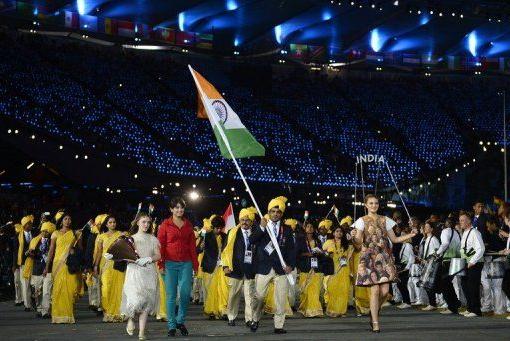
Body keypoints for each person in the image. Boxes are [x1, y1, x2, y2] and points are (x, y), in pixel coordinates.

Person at [352, 194, 416, 333]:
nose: (374, 205)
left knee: (385, 292)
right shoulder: (361, 221)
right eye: (371, 203)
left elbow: (395, 239)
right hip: (369, 257)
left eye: (376, 203)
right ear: (366, 205)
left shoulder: (385, 220)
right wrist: (353, 238)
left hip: (384, 257)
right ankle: (375, 322)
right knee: (374, 290)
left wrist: (410, 235)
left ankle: (373, 311)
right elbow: (358, 243)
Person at [249, 196, 296, 334]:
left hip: (281, 268)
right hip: (263, 267)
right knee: (259, 296)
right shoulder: (262, 225)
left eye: (278, 211)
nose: (275, 214)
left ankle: (279, 325)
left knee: (281, 298)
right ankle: (255, 318)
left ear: (282, 213)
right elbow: (252, 240)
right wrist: (262, 228)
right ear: (268, 212)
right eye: (273, 211)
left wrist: (290, 266)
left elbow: (292, 250)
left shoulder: (287, 229)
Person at [157, 197, 198, 337]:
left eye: (182, 208)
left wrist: (196, 265)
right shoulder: (165, 225)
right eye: (177, 207)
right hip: (169, 264)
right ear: (171, 209)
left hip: (186, 263)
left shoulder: (188, 225)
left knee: (186, 294)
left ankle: (180, 320)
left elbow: (192, 246)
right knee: (171, 296)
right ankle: (171, 325)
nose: (180, 210)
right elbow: (160, 246)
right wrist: (160, 263)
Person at [120, 212, 161, 341]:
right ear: (137, 222)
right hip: (134, 272)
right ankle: (131, 319)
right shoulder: (130, 238)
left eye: (148, 222)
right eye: (144, 222)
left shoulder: (153, 238)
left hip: (148, 272)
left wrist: (149, 259)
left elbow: (158, 255)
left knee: (146, 302)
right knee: (135, 300)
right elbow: (126, 256)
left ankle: (142, 333)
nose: (146, 224)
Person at [44, 211, 83, 323]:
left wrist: (73, 251)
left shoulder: (75, 233)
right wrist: (47, 267)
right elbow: (51, 251)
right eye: (65, 219)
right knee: (58, 290)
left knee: (70, 290)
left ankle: (68, 315)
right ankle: (57, 316)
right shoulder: (55, 233)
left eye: (69, 219)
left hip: (70, 264)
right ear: (61, 221)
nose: (67, 221)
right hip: (58, 264)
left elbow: (80, 250)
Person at [221, 207, 257, 327]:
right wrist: (225, 265)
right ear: (239, 220)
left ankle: (249, 319)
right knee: (233, 295)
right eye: (242, 219)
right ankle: (231, 316)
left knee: (250, 296)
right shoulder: (232, 232)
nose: (244, 222)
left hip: (251, 270)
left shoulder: (256, 233)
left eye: (247, 220)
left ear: (252, 221)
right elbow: (225, 250)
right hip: (235, 269)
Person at [94, 215, 126, 322]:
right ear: (106, 224)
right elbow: (98, 252)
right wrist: (95, 266)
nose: (113, 224)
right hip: (105, 265)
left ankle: (118, 313)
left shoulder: (120, 235)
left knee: (118, 288)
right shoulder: (101, 236)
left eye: (114, 222)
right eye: (110, 222)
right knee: (106, 289)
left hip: (118, 264)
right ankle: (108, 312)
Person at [26, 221, 56, 318]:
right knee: (37, 291)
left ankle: (46, 311)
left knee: (47, 291)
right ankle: (39, 308)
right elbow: (33, 254)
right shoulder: (35, 241)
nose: (44, 233)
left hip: (49, 269)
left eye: (47, 231)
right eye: (43, 231)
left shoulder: (53, 242)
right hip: (37, 269)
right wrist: (31, 254)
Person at [201, 215, 228, 319]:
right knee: (208, 290)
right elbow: (197, 250)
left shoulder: (225, 236)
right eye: (217, 228)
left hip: (220, 267)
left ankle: (220, 311)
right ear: (213, 227)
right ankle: (210, 311)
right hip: (209, 266)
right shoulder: (206, 236)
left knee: (219, 290)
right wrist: (201, 246)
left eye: (221, 228)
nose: (219, 230)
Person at [459, 211, 485, 317]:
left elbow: (481, 248)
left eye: (463, 220)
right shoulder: (464, 233)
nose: (461, 222)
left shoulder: (475, 232)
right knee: (465, 285)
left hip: (475, 263)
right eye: (460, 220)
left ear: (469, 221)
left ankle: (476, 310)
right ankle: (470, 307)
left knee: (473, 286)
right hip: (466, 262)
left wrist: (472, 261)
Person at [296, 221, 325, 317]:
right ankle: (305, 308)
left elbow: (321, 252)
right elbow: (297, 253)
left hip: (316, 267)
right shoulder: (300, 240)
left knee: (314, 289)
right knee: (305, 290)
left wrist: (320, 252)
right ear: (305, 228)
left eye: (311, 226)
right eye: (308, 226)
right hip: (305, 266)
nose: (310, 228)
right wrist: (307, 254)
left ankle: (314, 310)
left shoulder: (318, 240)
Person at [323, 225, 352, 317]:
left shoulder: (346, 244)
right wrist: (328, 254)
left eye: (341, 232)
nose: (339, 233)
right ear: (333, 233)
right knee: (332, 288)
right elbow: (322, 253)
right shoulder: (328, 242)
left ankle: (341, 311)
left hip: (343, 268)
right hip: (333, 268)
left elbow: (350, 255)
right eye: (337, 231)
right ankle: (332, 309)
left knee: (343, 289)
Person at [436, 218, 461, 315]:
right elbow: (459, 247)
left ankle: (452, 305)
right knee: (448, 283)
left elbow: (445, 243)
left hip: (447, 260)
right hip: (456, 260)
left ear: (446, 224)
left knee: (444, 283)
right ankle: (455, 303)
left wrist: (437, 253)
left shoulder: (445, 231)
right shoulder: (456, 233)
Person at [484, 217, 507, 315]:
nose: (487, 228)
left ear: (493, 224)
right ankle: (500, 308)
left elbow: (496, 248)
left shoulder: (497, 234)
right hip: (498, 261)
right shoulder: (498, 233)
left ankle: (499, 309)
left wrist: (488, 248)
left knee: (496, 286)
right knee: (498, 286)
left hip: (498, 261)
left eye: (489, 226)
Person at [85, 214, 106, 314]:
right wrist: (89, 266)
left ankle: (101, 305)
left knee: (102, 285)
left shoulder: (107, 234)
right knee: (94, 285)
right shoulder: (93, 235)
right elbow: (89, 251)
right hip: (95, 263)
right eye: (100, 223)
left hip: (106, 263)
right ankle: (95, 304)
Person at [420, 221, 441, 311]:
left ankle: (433, 303)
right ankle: (432, 303)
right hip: (427, 263)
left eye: (427, 226)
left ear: (432, 229)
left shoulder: (434, 239)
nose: (425, 228)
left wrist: (430, 260)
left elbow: (438, 252)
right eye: (425, 226)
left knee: (429, 284)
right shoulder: (427, 238)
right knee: (426, 284)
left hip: (432, 264)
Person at [16, 215, 34, 311]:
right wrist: (15, 264)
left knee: (35, 284)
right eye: (29, 223)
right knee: (25, 284)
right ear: (24, 225)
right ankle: (27, 305)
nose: (31, 224)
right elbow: (16, 250)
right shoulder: (18, 235)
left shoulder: (34, 233)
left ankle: (35, 302)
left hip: (34, 261)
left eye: (30, 223)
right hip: (23, 263)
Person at [396, 231, 415, 309]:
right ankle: (405, 301)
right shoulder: (404, 245)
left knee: (402, 284)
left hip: (405, 267)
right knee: (400, 284)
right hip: (403, 266)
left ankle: (407, 302)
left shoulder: (408, 245)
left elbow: (412, 258)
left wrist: (406, 268)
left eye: (403, 236)